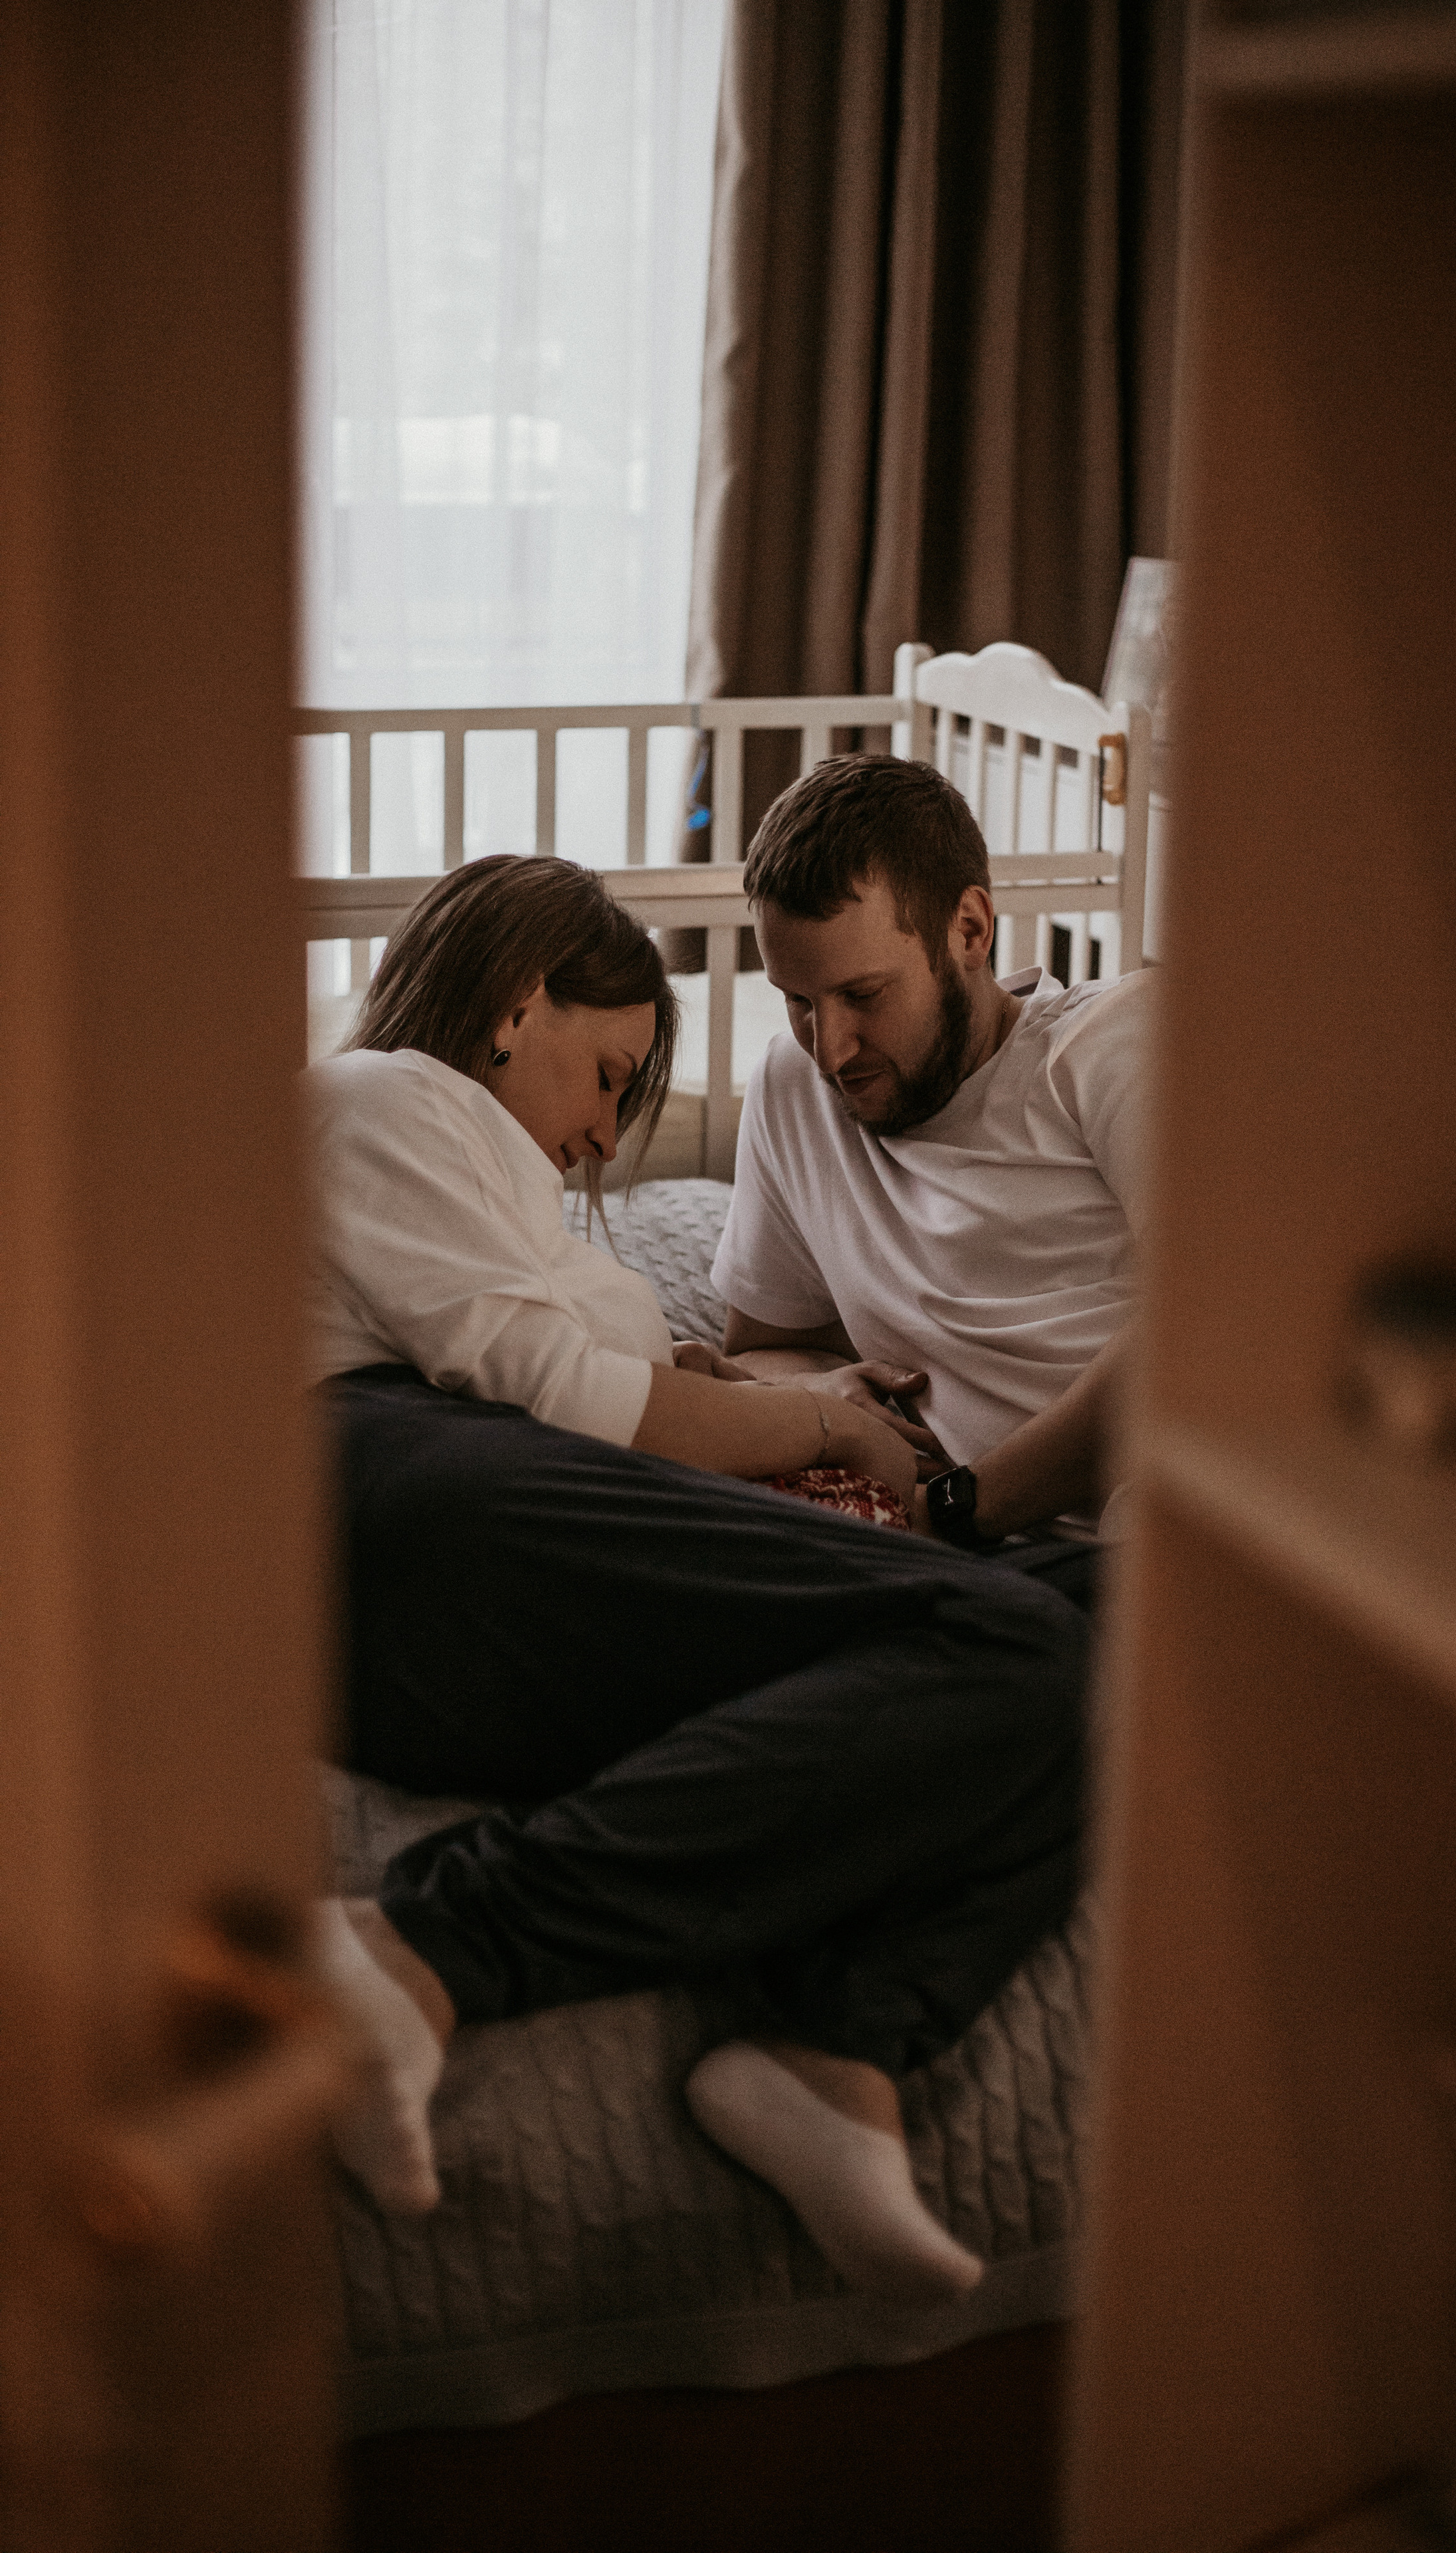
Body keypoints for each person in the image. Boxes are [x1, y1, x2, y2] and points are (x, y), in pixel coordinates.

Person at [307, 852, 1088, 2306]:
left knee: (1084, 1643)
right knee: (1007, 1640)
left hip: (451, 1543)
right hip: (373, 1492)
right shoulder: (391, 1098)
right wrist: (828, 1422)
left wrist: (721, 1381)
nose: (604, 1136)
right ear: (515, 1003)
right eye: (606, 1077)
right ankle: (423, 1944)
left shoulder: (469, 1176)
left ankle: (833, 2049)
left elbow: (579, 1360)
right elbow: (557, 1393)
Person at [711, 753, 1155, 1578]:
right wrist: (820, 1398)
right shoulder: (791, 1084)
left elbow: (1207, 1328)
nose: (831, 1048)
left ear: (970, 932)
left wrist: (958, 1510)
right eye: (798, 1001)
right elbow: (768, 1342)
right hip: (925, 1556)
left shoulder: (1110, 1046)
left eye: (863, 996)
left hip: (1119, 1558)